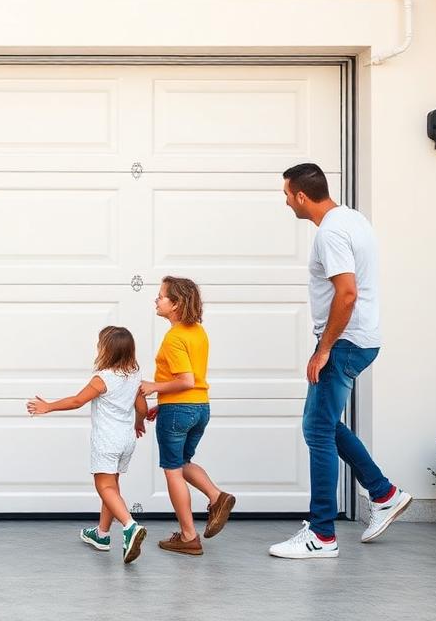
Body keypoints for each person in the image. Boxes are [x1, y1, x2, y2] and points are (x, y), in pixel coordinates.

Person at [269, 163, 410, 559]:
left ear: (300, 195)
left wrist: (324, 348)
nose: (285, 201)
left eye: (286, 195)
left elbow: (346, 294)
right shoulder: (353, 219)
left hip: (345, 341)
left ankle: (322, 534)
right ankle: (383, 493)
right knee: (326, 424)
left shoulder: (330, 232)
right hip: (360, 338)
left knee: (316, 429)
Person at [27, 326, 149, 564]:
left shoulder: (102, 378)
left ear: (106, 350)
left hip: (107, 440)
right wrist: (138, 423)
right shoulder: (135, 374)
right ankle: (102, 535)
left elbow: (76, 401)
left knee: (104, 486)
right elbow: (142, 408)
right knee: (112, 486)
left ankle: (130, 525)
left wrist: (48, 406)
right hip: (126, 440)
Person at [140, 276, 235, 556]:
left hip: (179, 409)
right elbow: (192, 382)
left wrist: (154, 387)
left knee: (172, 471)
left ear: (176, 304)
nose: (156, 301)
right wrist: (164, 400)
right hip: (200, 408)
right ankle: (217, 497)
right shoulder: (198, 332)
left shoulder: (174, 337)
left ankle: (188, 535)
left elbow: (185, 380)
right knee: (182, 462)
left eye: (161, 296)